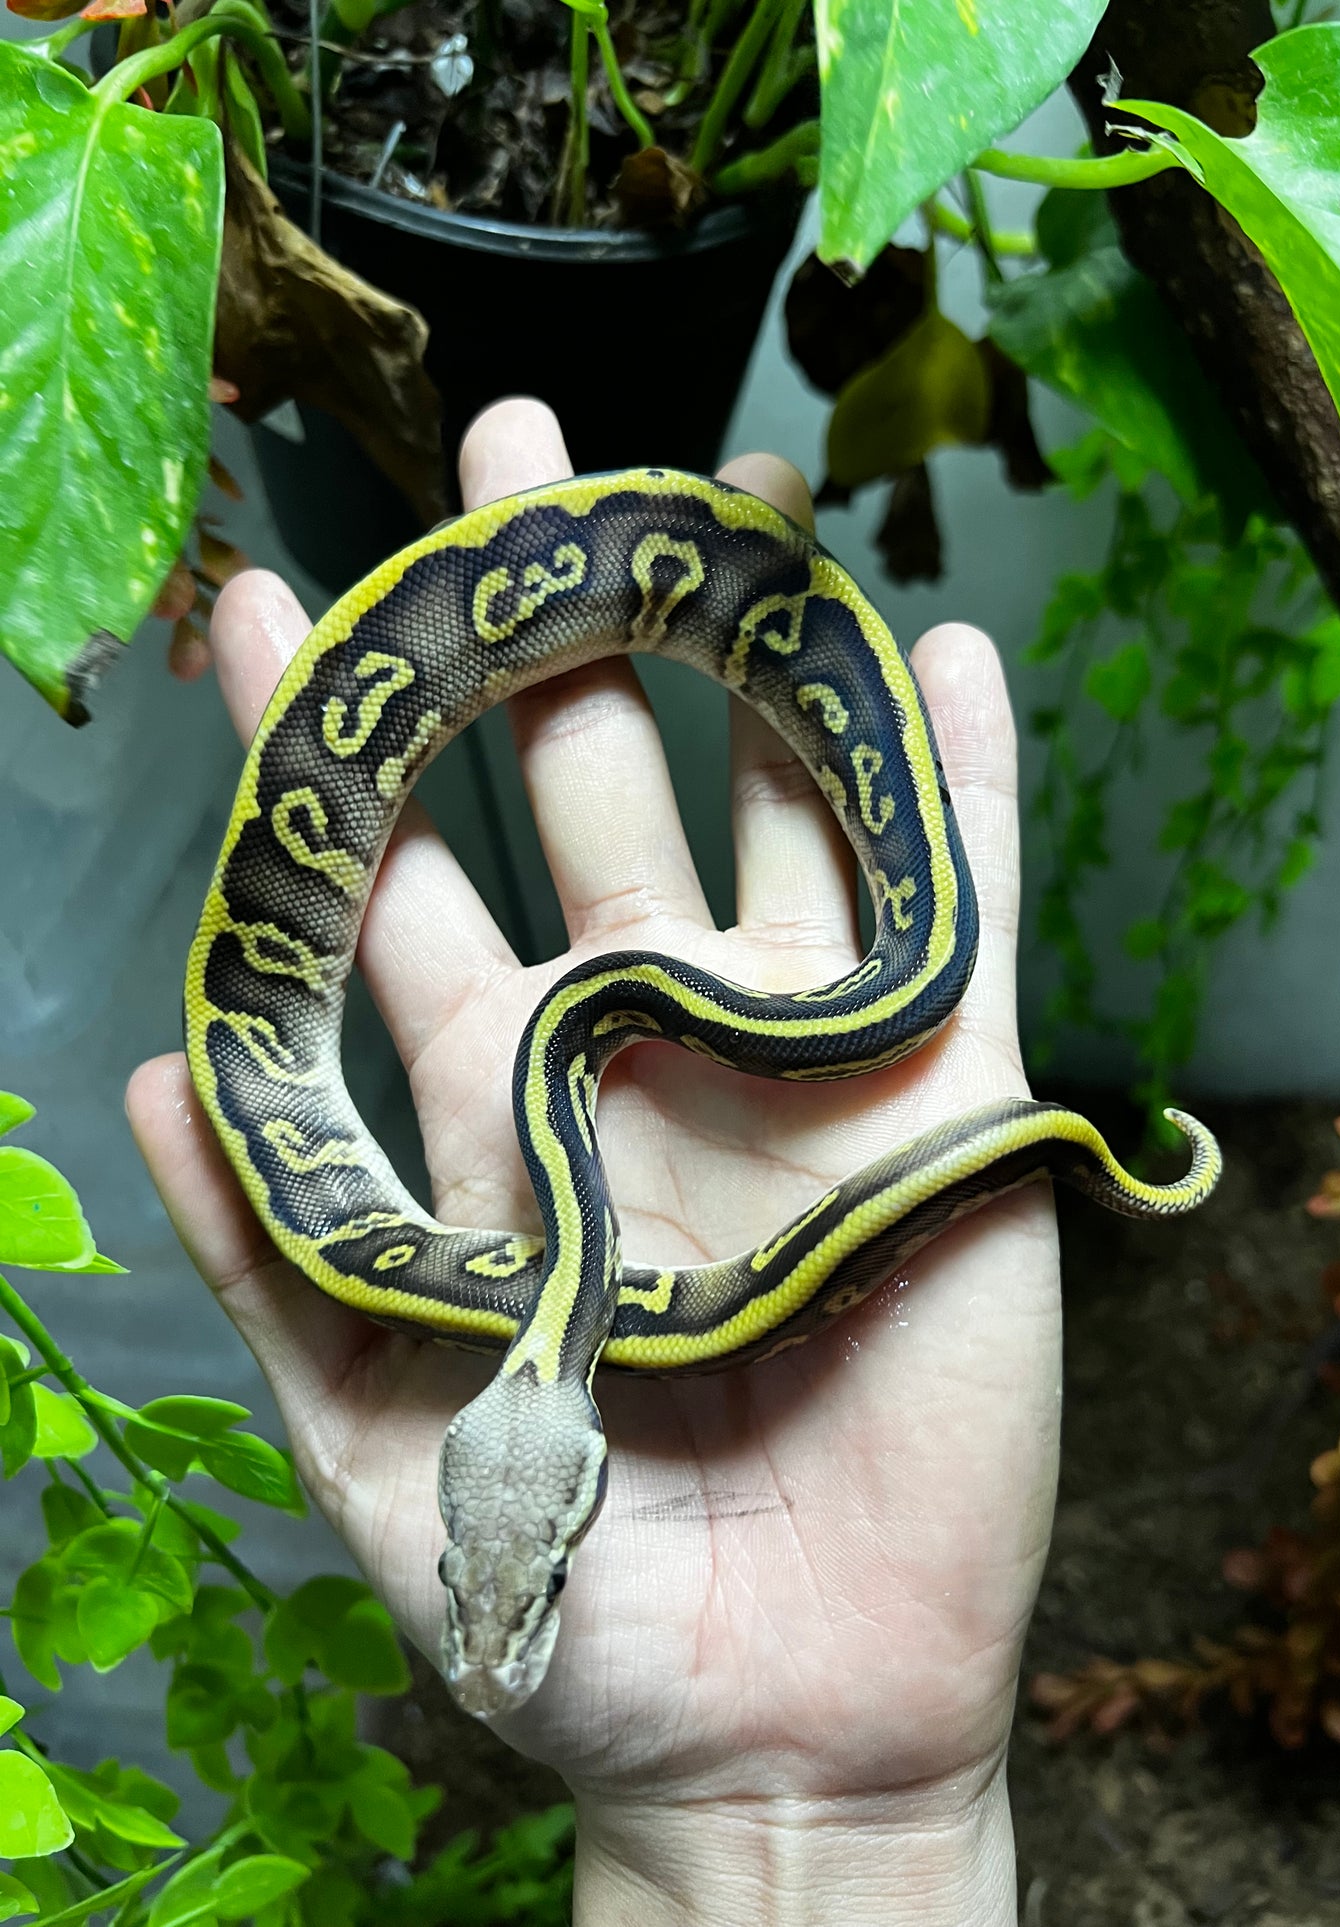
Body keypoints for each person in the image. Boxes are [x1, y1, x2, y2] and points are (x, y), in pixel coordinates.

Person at [127, 397, 1058, 1926]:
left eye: (516, 1581)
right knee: (918, 967)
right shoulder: (556, 1301)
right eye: (531, 1581)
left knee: (922, 973)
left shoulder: (536, 1286)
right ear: (580, 1474)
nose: (497, 1642)